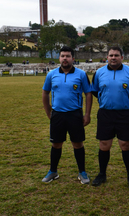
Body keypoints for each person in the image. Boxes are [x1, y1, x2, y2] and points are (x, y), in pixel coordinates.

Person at [91, 46, 129, 189]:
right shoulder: (99, 72)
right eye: (111, 55)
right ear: (107, 57)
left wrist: (128, 100)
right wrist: (104, 99)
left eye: (116, 55)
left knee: (125, 145)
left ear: (122, 57)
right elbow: (94, 90)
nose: (113, 57)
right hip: (105, 113)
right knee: (104, 145)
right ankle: (102, 173)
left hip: (124, 114)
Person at [42, 46, 93, 184]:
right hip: (57, 115)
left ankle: (82, 172)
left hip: (75, 114)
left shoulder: (81, 74)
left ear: (73, 59)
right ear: (59, 58)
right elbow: (45, 92)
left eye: (68, 56)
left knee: (78, 144)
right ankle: (53, 171)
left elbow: (88, 93)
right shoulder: (51, 74)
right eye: (63, 56)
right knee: (56, 144)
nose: (65, 58)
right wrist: (49, 112)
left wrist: (87, 114)